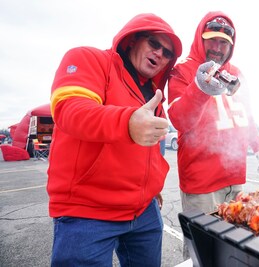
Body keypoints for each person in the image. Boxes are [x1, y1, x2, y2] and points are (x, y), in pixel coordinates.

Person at [47, 13, 182, 266]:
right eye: (154, 43)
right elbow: (70, 109)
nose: (160, 54)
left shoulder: (153, 93)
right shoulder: (89, 59)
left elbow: (151, 145)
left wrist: (152, 186)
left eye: (167, 53)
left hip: (145, 211)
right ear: (133, 40)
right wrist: (127, 122)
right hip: (87, 214)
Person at [167, 11, 259, 260]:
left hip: (235, 178)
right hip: (202, 184)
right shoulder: (183, 70)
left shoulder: (236, 72)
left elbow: (246, 114)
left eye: (224, 43)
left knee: (237, 247)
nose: (217, 47)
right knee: (202, 252)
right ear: (200, 39)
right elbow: (179, 119)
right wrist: (200, 88)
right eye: (211, 39)